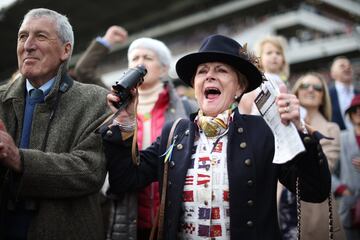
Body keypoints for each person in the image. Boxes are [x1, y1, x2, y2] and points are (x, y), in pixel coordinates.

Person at [101, 34, 331, 239]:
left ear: (240, 87)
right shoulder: (175, 132)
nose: (210, 76)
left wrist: (298, 131)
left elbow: (314, 191)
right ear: (195, 85)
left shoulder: (263, 131)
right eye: (203, 71)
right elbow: (125, 179)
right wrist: (124, 122)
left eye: (221, 70)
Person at [76, 27, 198, 240]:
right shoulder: (114, 103)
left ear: (163, 68)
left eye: (147, 57)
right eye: (135, 58)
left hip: (174, 217)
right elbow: (84, 71)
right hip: (126, 211)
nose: (139, 62)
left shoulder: (186, 108)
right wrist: (105, 41)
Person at [0, 8, 109, 240]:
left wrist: (18, 159)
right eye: (22, 36)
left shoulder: (96, 100)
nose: (28, 45)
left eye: (40, 36)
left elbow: (90, 170)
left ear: (65, 50)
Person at [287, 72, 345, 240]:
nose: (310, 90)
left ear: (323, 97)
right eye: (305, 86)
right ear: (296, 93)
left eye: (317, 87)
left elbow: (327, 166)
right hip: (282, 207)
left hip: (315, 212)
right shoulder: (283, 123)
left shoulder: (330, 128)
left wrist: (302, 129)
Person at [239, 35, 289, 115]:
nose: (274, 56)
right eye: (269, 53)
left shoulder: (283, 82)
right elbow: (244, 110)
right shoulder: (256, 82)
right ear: (259, 58)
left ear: (283, 59)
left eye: (278, 53)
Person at [332, 94, 360, 240]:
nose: (358, 112)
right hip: (350, 208)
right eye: (355, 110)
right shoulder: (341, 138)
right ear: (350, 115)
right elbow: (328, 171)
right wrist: (342, 189)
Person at [329, 56, 358, 130]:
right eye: (342, 66)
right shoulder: (327, 96)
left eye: (349, 66)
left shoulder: (358, 93)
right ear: (332, 74)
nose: (347, 68)